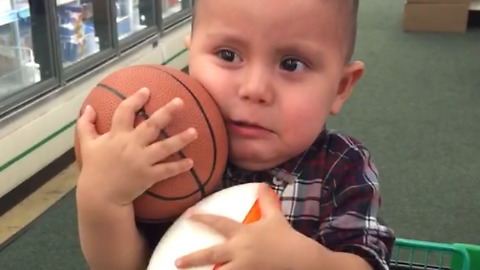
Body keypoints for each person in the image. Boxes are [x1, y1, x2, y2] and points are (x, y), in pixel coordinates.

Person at [75, 0, 396, 269]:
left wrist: (306, 261)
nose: (254, 89)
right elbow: (132, 264)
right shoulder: (168, 158)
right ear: (190, 58)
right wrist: (102, 201)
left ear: (340, 87)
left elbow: (365, 262)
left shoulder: (341, 165)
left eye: (292, 64)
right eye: (228, 55)